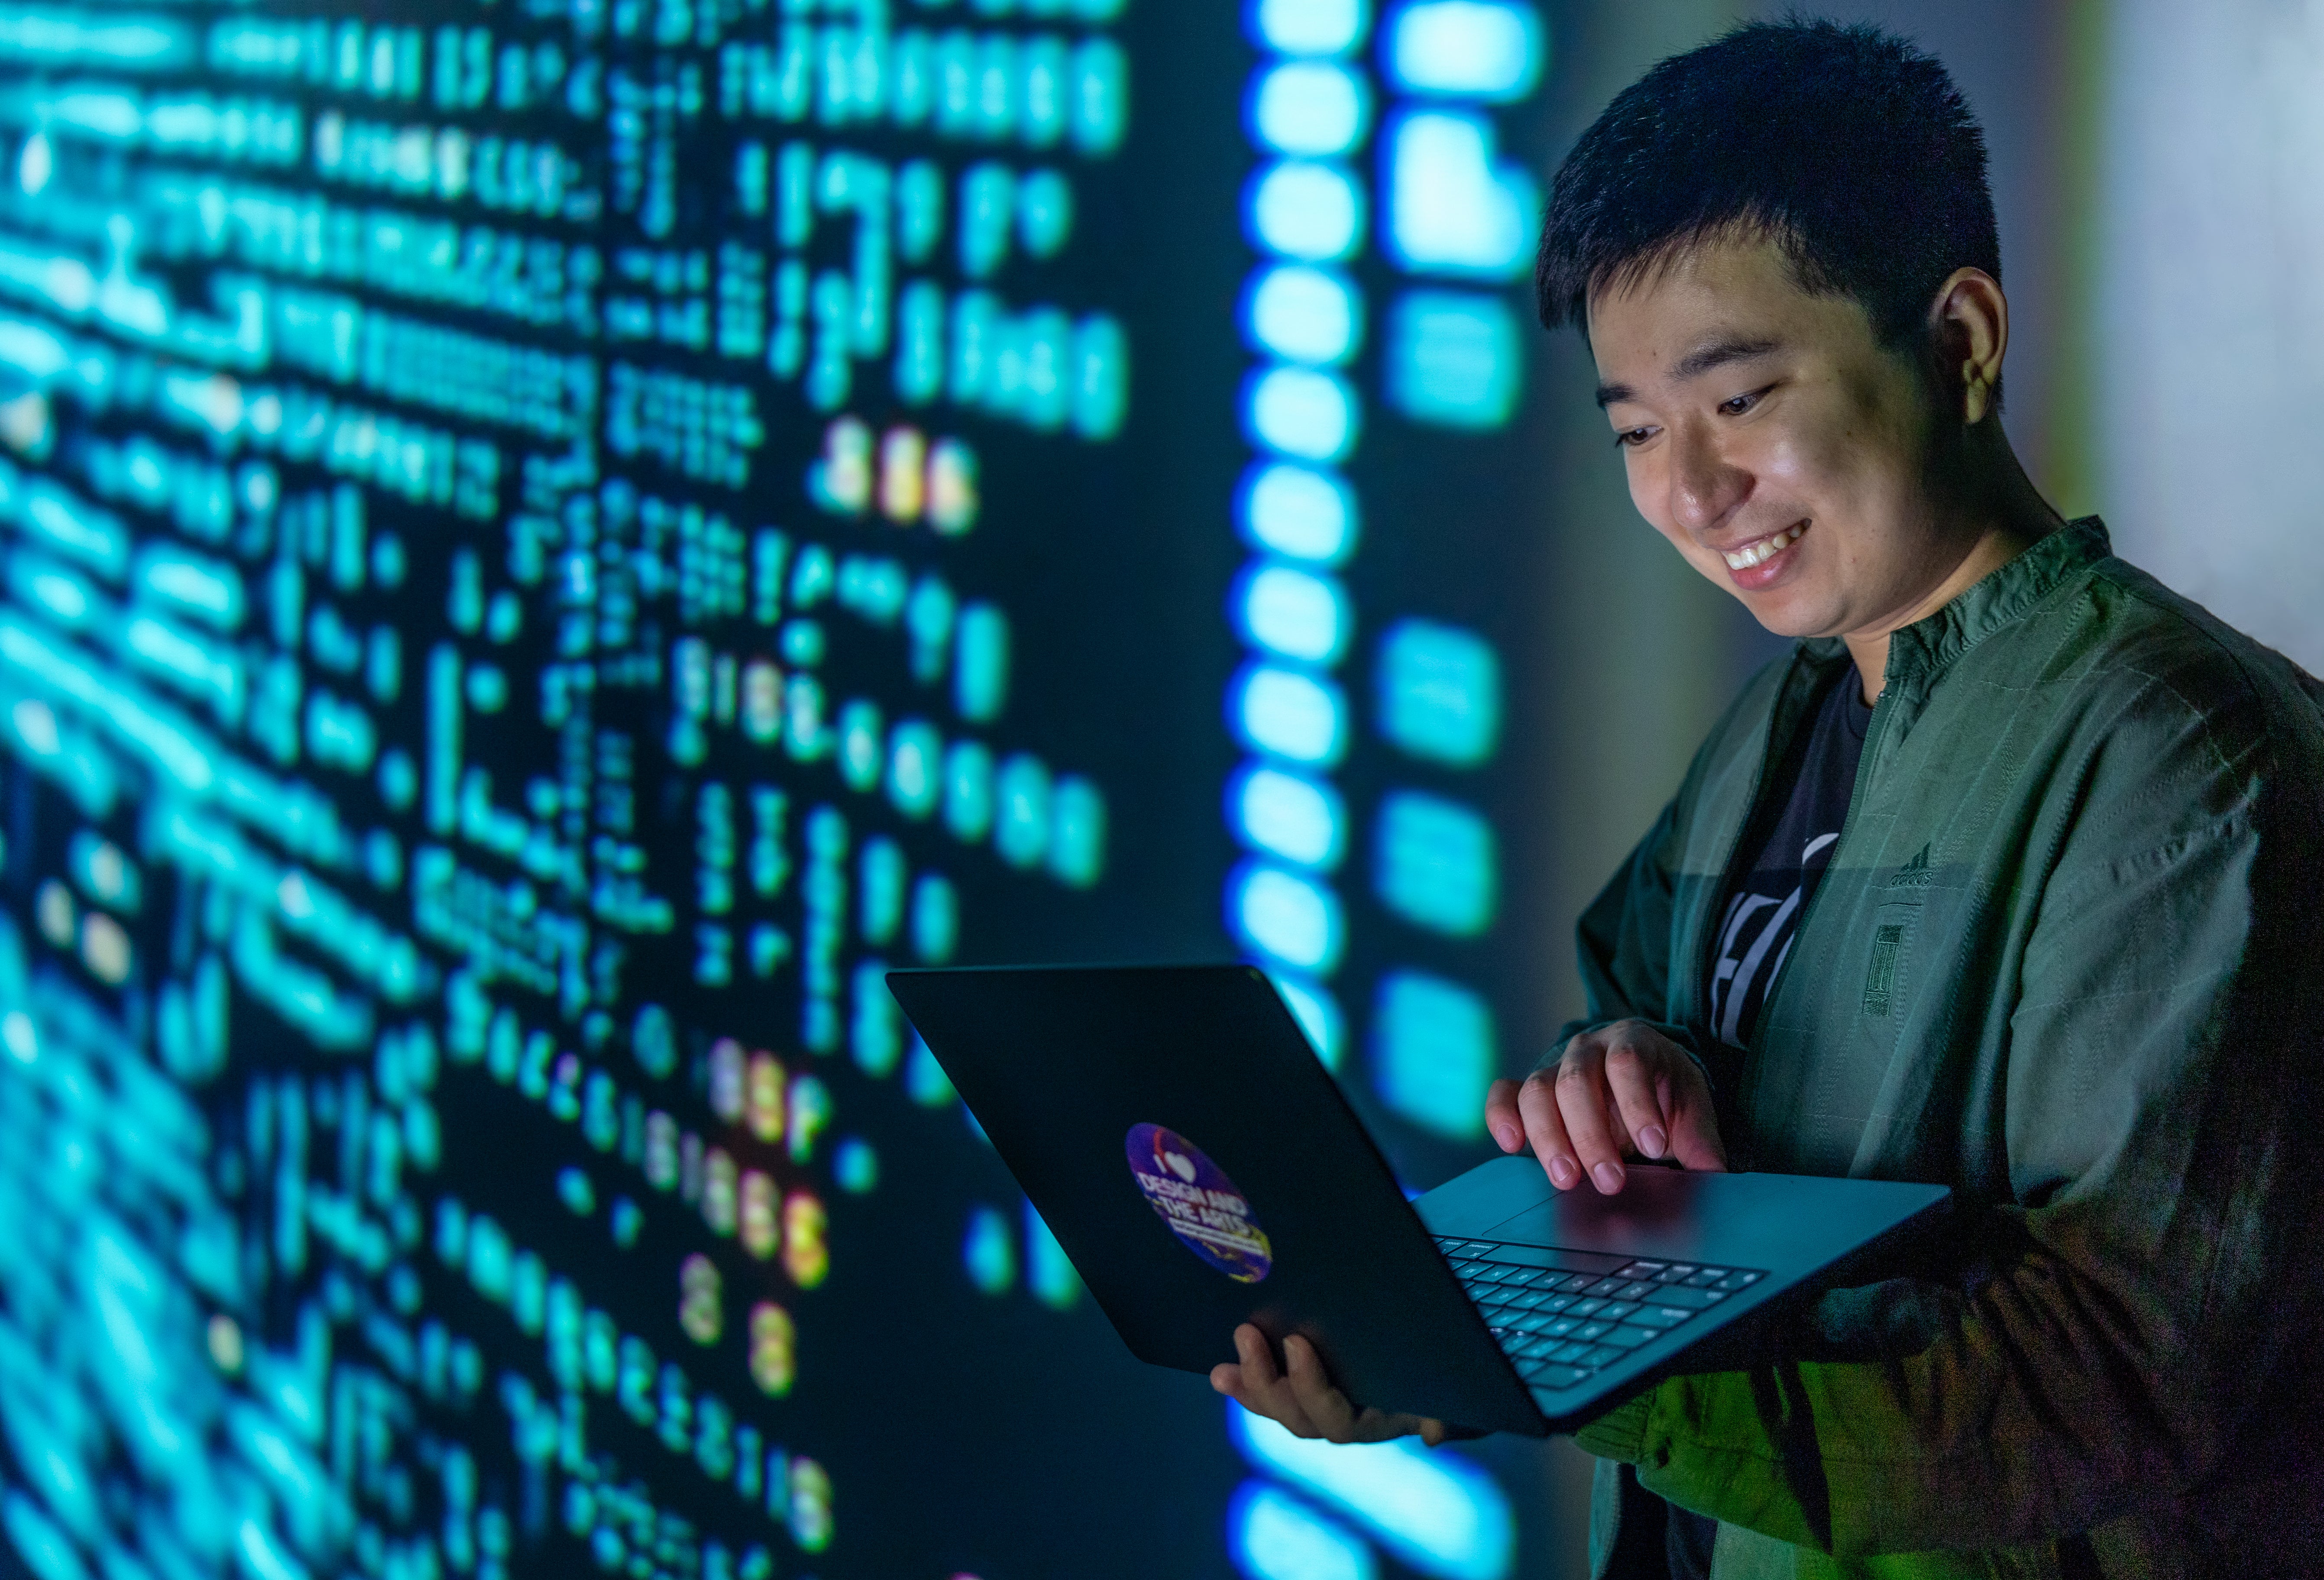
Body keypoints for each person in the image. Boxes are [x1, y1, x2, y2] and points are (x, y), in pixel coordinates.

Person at [1211, 19, 2324, 1579]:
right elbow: (1642, 1075)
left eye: (1737, 400)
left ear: (1959, 341)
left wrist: (1563, 1353)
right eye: (1638, 431)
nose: (1688, 491)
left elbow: (2111, 1376)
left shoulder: (2187, 758)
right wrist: (1602, 1102)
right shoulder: (1791, 718)